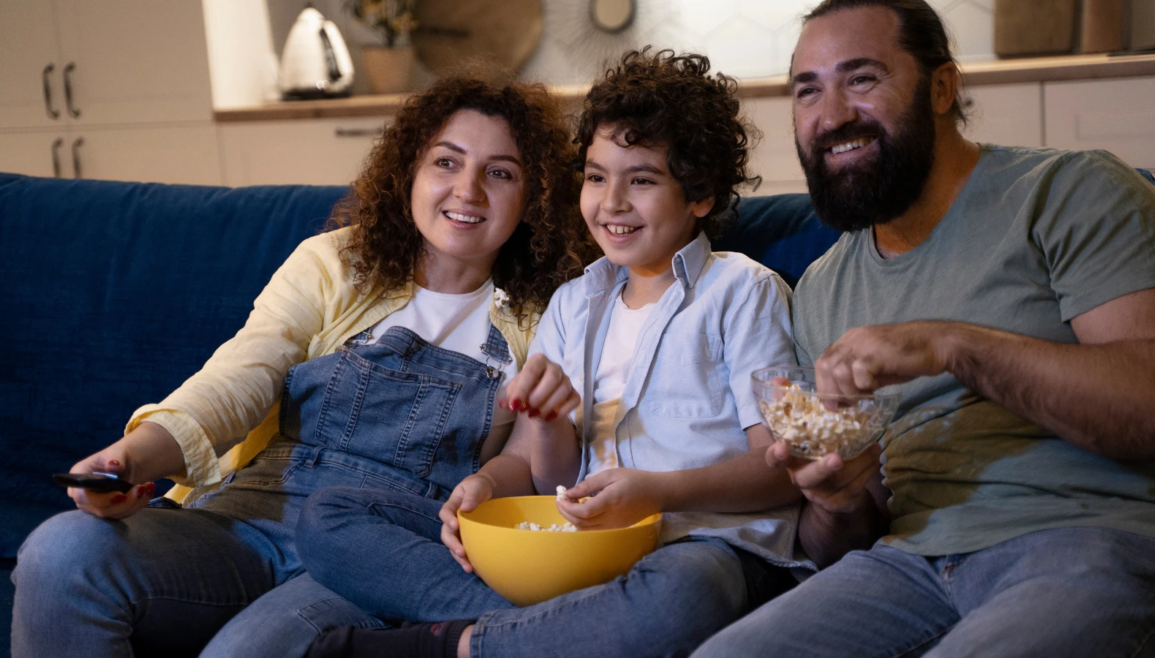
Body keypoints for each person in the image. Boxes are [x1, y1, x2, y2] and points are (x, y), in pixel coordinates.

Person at [11, 72, 596, 658]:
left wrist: (497, 476)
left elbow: (533, 463)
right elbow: (237, 380)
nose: (467, 190)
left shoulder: (552, 308)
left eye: (500, 172)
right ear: (410, 172)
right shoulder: (335, 263)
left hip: (380, 549)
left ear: (535, 195)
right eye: (446, 162)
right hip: (247, 519)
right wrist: (130, 459)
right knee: (61, 551)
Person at [296, 49, 812, 658]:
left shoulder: (741, 292)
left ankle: (449, 646)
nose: (611, 202)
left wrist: (657, 492)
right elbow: (545, 476)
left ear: (700, 195)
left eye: (641, 179)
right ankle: (565, 630)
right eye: (596, 177)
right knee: (329, 516)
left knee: (685, 595)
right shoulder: (574, 303)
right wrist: (488, 480)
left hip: (700, 548)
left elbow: (783, 469)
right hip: (578, 547)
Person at [692, 1, 1155, 657]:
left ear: (942, 87)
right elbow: (845, 538)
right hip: (906, 564)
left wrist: (953, 344)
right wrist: (837, 499)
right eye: (808, 91)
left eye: (861, 79)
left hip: (1088, 536)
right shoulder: (823, 288)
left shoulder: (1070, 192)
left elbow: (1153, 403)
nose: (831, 116)